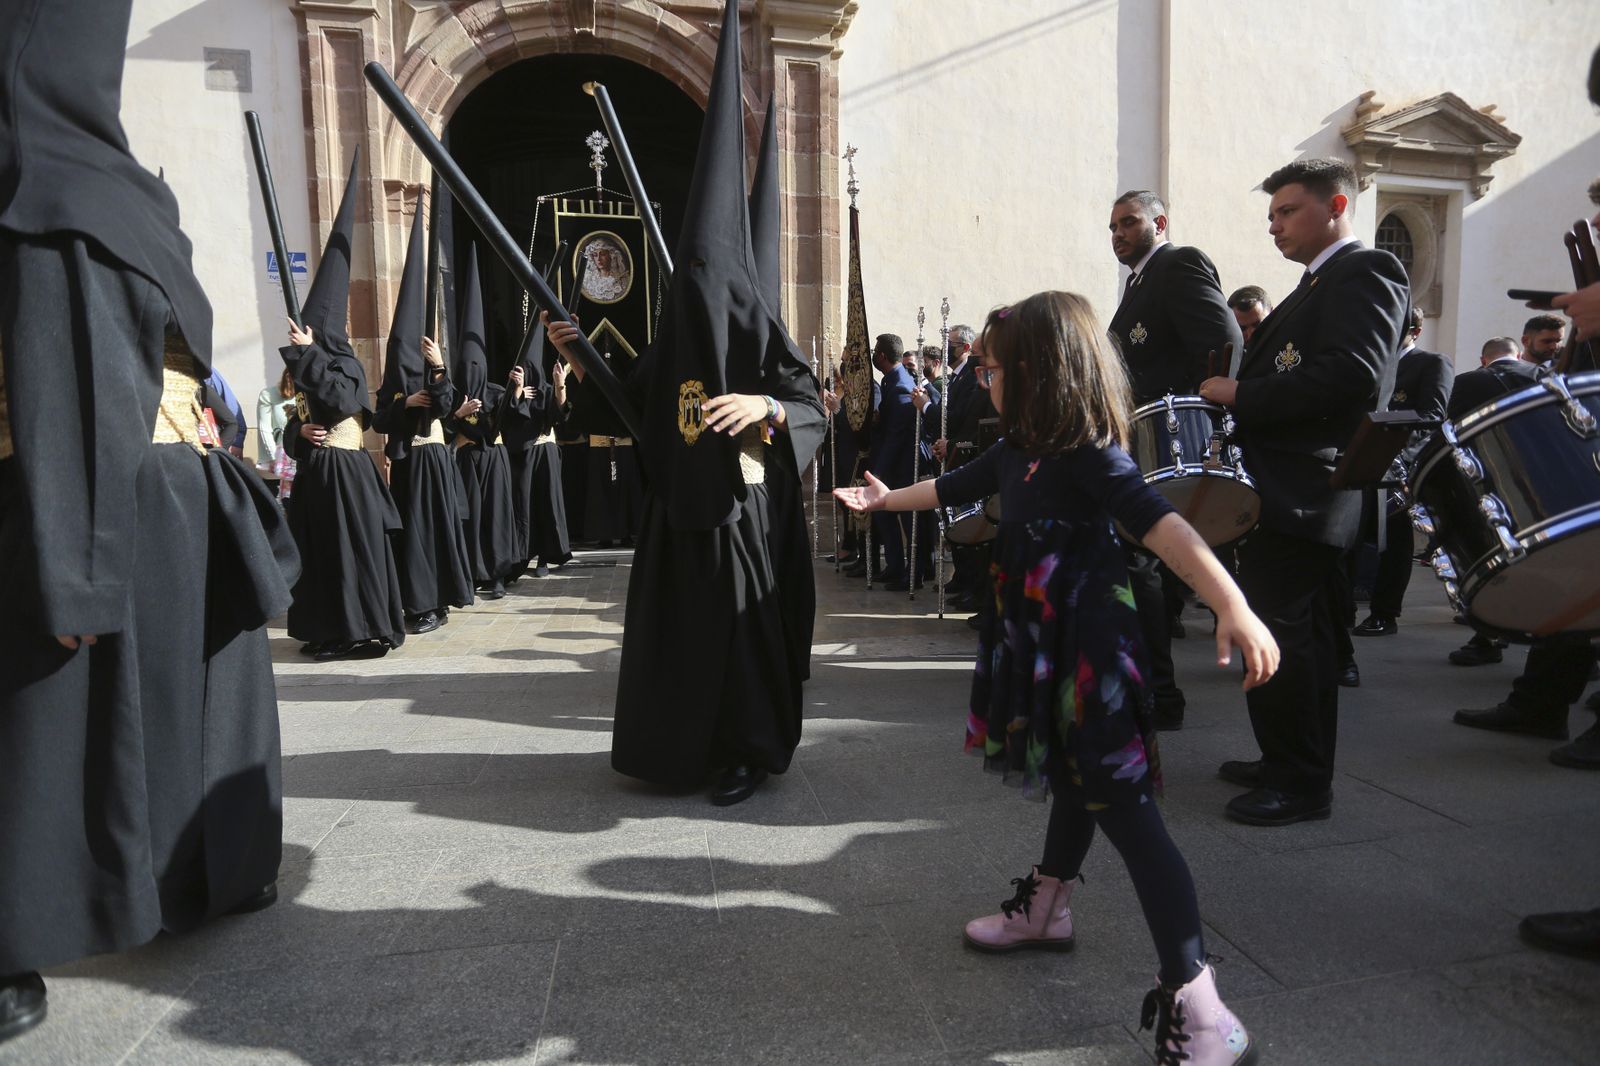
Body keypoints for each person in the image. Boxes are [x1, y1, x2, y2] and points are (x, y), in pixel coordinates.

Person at [837, 291, 1277, 1066]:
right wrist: (883, 500)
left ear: (1041, 374)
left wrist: (1231, 605)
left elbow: (1166, 525)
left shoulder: (1090, 458)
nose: (989, 382)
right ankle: (1047, 911)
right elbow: (952, 488)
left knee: (1127, 811)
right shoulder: (1018, 450)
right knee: (1077, 781)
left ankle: (1202, 1008)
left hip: (1090, 652)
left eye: (997, 370)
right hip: (1038, 644)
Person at [1, 0, 297, 1039]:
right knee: (118, 715)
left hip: (139, 489)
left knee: (153, 708)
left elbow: (106, 372)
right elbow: (75, 377)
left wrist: (73, 565)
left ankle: (176, 881)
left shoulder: (80, 188)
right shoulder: (92, 193)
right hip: (128, 489)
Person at [544, 0, 825, 808]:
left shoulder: (758, 326)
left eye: (711, 279)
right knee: (682, 640)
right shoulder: (673, 332)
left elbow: (809, 403)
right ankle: (676, 749)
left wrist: (765, 409)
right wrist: (583, 357)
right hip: (677, 514)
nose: (698, 296)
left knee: (737, 636)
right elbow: (633, 402)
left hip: (738, 510)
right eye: (688, 279)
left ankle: (746, 751)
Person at [1199, 157, 1409, 827]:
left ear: (1336, 205)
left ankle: (1300, 783)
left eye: (1287, 211)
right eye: (1271, 215)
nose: (1275, 226)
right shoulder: (1315, 284)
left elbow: (1353, 376)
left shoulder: (1367, 271)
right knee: (1299, 635)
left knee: (1285, 634)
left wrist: (1242, 393)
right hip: (1280, 485)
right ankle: (1287, 757)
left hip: (1307, 486)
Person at [1107, 189, 1243, 730]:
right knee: (1139, 569)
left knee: (1145, 569)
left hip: (1167, 443)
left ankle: (1160, 695)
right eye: (1112, 226)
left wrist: (1189, 413)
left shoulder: (1177, 263)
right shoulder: (1138, 283)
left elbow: (1222, 339)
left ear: (1159, 222)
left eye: (1128, 222)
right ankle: (1153, 688)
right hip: (1135, 446)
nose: (1117, 233)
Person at [280, 151, 406, 660]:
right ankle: (326, 627)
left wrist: (308, 353)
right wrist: (297, 437)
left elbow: (341, 398)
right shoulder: (312, 366)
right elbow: (301, 416)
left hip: (346, 473)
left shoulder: (346, 365)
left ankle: (359, 629)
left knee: (348, 553)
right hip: (318, 472)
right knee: (319, 553)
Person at [371, 200, 474, 635]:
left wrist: (437, 368)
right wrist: (402, 405)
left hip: (433, 460)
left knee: (436, 532)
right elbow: (378, 419)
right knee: (411, 537)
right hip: (407, 465)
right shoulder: (394, 377)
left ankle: (438, 602)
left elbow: (446, 405)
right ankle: (415, 601)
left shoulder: (435, 369)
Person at [1352, 306, 1453, 637]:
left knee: (1393, 541)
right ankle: (1345, 606)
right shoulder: (1371, 362)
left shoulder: (1431, 363)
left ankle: (1385, 612)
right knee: (1349, 537)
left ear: (1415, 331)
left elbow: (1432, 416)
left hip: (1398, 466)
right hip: (1358, 459)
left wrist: (1391, 443)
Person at [1441, 337, 1540, 666]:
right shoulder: (1539, 375)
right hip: (1541, 481)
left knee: (1496, 558)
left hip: (1492, 481)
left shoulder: (1469, 381)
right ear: (1520, 353)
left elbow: (1450, 430)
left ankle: (1488, 637)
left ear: (1484, 359)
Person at [448, 244, 522, 599]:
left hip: (492, 461)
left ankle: (496, 574)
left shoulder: (495, 391)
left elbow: (504, 424)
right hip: (465, 461)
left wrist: (516, 392)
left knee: (495, 518)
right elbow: (441, 427)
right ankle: (471, 572)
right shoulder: (450, 393)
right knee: (470, 518)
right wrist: (457, 415)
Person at [867, 333, 936, 589]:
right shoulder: (891, 381)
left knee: (909, 520)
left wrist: (879, 472)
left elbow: (896, 436)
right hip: (894, 461)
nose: (874, 354)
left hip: (904, 464)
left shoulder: (899, 387)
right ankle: (896, 566)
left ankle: (913, 574)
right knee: (885, 514)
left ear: (882, 356)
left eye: (875, 351)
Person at [256, 365, 296, 467]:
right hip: (279, 455)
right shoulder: (268, 394)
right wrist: (274, 457)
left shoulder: (313, 394)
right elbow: (264, 427)